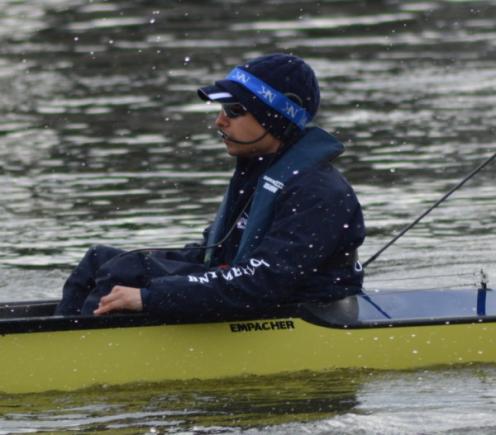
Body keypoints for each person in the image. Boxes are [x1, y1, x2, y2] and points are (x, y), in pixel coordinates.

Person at [54, 53, 366, 319]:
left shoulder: (319, 192)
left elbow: (262, 283)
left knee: (121, 279)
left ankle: (75, 354)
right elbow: (214, 256)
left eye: (234, 111)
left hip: (299, 313)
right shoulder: (258, 170)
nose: (220, 121)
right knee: (104, 262)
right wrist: (144, 274)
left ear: (276, 117)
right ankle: (64, 338)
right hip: (250, 289)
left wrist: (149, 297)